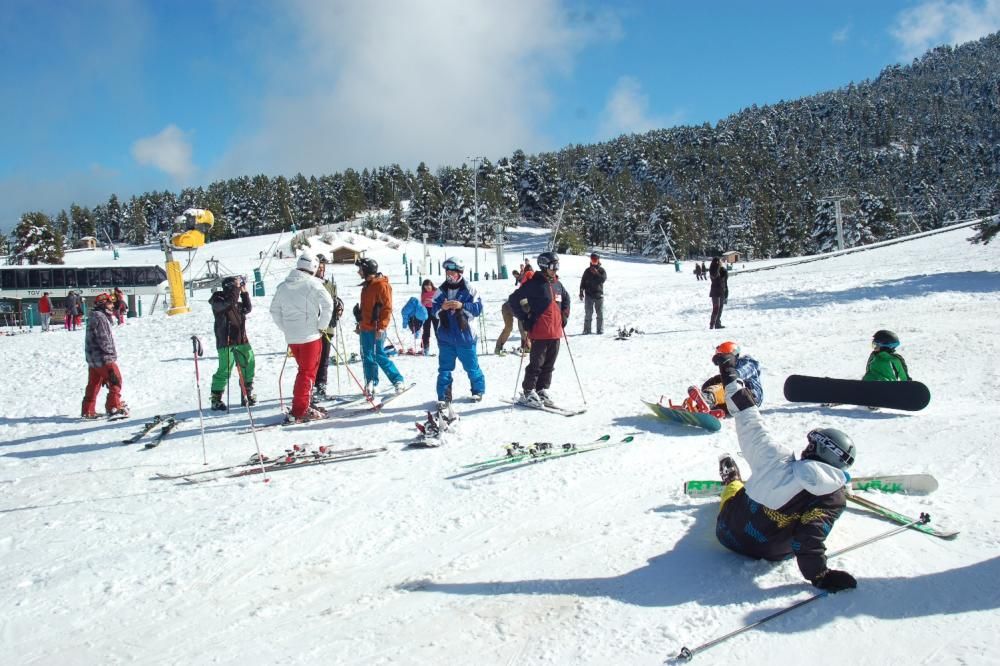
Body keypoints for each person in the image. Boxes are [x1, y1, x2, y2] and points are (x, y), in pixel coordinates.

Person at [711, 350, 858, 592]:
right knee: (802, 512)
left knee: (736, 491)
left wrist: (729, 373)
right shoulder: (833, 497)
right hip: (772, 552)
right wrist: (820, 575)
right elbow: (809, 536)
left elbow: (749, 419)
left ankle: (732, 480)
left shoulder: (775, 458)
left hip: (726, 534)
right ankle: (735, 483)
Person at [270, 253, 334, 423]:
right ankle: (300, 409)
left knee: (303, 371)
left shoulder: (283, 286)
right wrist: (322, 326)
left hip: (292, 337)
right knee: (307, 373)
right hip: (310, 335)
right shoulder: (313, 283)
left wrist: (286, 328)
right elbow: (328, 304)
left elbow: (274, 310)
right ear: (313, 267)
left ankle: (304, 402)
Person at [508, 251, 570, 407]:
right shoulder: (534, 284)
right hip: (540, 331)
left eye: (557, 266)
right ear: (543, 266)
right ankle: (528, 391)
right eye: (553, 266)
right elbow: (514, 299)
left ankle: (541, 389)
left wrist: (564, 316)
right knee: (536, 364)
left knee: (549, 364)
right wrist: (524, 317)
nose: (555, 269)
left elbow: (566, 299)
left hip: (555, 332)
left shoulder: (557, 284)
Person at [432, 257, 485, 406]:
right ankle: (443, 396)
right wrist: (443, 308)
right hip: (446, 337)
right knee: (444, 369)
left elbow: (478, 309)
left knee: (471, 366)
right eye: (447, 272)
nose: (449, 275)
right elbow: (433, 309)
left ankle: (478, 391)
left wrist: (462, 305)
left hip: (465, 337)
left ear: (459, 272)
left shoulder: (470, 288)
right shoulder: (440, 290)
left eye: (452, 272)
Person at [356, 257, 405, 395]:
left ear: (366, 270)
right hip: (365, 327)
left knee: (379, 355)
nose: (358, 272)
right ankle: (371, 382)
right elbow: (366, 308)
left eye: (360, 269)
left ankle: (398, 380)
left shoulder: (381, 285)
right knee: (367, 356)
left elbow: (387, 308)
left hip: (377, 328)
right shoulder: (366, 286)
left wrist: (382, 327)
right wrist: (359, 322)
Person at [208, 275, 256, 411]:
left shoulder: (235, 302)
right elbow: (227, 304)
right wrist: (236, 290)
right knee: (225, 369)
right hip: (226, 341)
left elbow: (247, 309)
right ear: (230, 286)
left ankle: (247, 393)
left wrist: (245, 293)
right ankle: (216, 398)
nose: (238, 288)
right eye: (235, 285)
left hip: (241, 340)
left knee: (249, 365)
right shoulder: (218, 299)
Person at [81, 293, 128, 419]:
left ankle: (88, 410)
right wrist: (110, 354)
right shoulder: (100, 317)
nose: (112, 306)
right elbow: (103, 339)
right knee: (115, 380)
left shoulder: (94, 316)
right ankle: (113, 406)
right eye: (109, 303)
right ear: (103, 304)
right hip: (103, 358)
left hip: (93, 359)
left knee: (94, 384)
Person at [312, 256, 345, 401]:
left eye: (323, 267)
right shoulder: (310, 283)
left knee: (324, 357)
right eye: (319, 267)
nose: (321, 270)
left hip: (328, 325)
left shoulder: (330, 284)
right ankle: (310, 385)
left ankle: (321, 384)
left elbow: (335, 299)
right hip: (313, 327)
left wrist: (339, 306)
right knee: (313, 358)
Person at [701, 341, 763, 414]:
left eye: (722, 357)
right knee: (715, 381)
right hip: (736, 401)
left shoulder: (748, 363)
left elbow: (739, 374)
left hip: (751, 398)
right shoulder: (729, 369)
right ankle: (699, 406)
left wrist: (727, 374)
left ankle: (708, 398)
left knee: (729, 382)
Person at [579, 252, 607, 335]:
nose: (594, 261)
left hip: (599, 295)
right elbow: (582, 282)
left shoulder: (602, 270)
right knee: (588, 314)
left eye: (595, 260)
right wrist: (581, 292)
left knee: (600, 314)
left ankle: (600, 330)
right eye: (592, 260)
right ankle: (587, 330)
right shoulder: (587, 271)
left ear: (598, 260)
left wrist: (596, 273)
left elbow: (603, 279)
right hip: (589, 295)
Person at [708, 256, 729, 329]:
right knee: (716, 308)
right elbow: (715, 275)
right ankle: (712, 324)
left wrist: (726, 293)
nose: (721, 262)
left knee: (720, 308)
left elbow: (725, 282)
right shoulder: (712, 270)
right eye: (719, 261)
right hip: (715, 291)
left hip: (722, 291)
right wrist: (717, 266)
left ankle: (717, 324)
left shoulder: (723, 270)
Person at [419, 279, 438, 355]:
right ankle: (425, 348)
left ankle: (443, 347)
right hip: (426, 312)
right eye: (425, 287)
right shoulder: (423, 293)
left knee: (438, 330)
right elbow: (421, 303)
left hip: (435, 311)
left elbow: (440, 301)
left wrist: (431, 301)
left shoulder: (437, 291)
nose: (427, 289)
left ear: (431, 286)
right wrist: (424, 302)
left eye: (428, 287)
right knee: (426, 330)